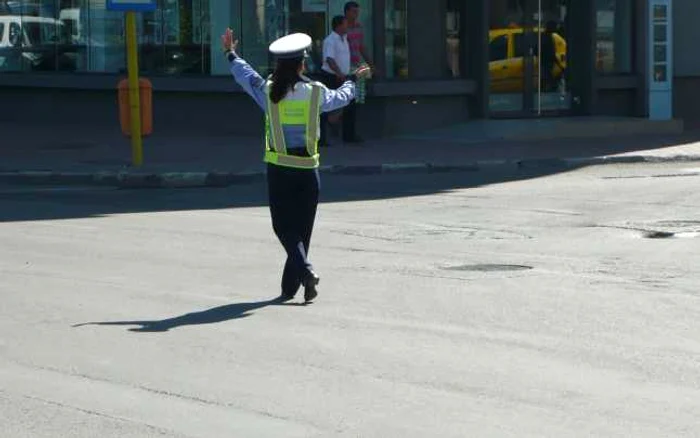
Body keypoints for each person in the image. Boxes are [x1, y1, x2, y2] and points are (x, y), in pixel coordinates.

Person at [221, 28, 368, 303]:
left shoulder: (268, 92)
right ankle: (292, 288)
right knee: (303, 232)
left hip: (279, 170)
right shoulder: (315, 92)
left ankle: (305, 274)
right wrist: (351, 80)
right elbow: (343, 97)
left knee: (283, 227)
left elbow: (245, 76)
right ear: (302, 64)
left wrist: (231, 53)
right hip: (308, 172)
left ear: (279, 65)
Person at [319, 15, 352, 147]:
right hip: (331, 76)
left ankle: (346, 133)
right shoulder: (330, 40)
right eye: (345, 24)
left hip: (342, 76)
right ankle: (323, 137)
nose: (347, 26)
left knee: (345, 103)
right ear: (338, 26)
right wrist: (339, 73)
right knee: (327, 105)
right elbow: (329, 59)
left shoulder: (344, 39)